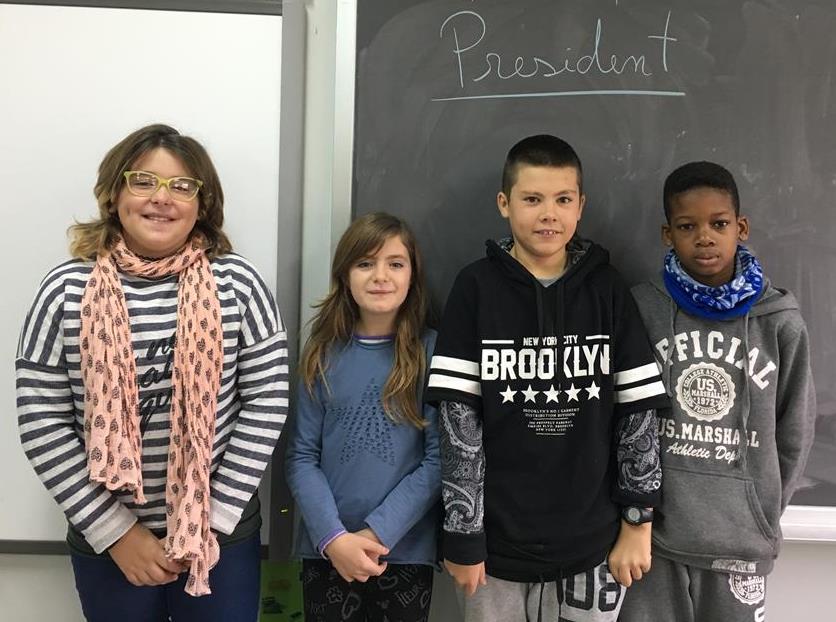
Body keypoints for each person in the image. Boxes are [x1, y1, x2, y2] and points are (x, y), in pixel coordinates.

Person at [15, 124, 288, 621]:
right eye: (143, 181)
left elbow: (267, 402)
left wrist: (209, 521)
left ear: (202, 204)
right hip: (109, 540)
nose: (162, 198)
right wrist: (117, 533)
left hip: (220, 533)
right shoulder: (63, 291)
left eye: (182, 186)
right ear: (113, 193)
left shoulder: (240, 284)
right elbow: (41, 421)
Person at [424, 134, 670, 622]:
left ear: (581, 206)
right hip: (494, 548)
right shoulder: (475, 288)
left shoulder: (606, 289)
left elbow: (638, 411)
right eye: (532, 199)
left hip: (595, 543)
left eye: (562, 199)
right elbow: (458, 420)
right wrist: (463, 532)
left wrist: (638, 520)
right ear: (504, 203)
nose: (548, 215)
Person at [621, 161, 816, 622]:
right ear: (668, 234)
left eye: (719, 224)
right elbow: (623, 416)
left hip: (739, 544)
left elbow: (795, 431)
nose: (704, 237)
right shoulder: (643, 309)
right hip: (654, 541)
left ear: (741, 228)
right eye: (687, 226)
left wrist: (759, 509)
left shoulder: (780, 322)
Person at [286, 212, 440, 622]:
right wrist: (335, 538)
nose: (380, 276)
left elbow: (439, 461)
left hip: (402, 553)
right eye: (365, 263)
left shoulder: (430, 353)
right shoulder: (321, 353)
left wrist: (376, 533)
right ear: (345, 275)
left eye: (395, 263)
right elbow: (301, 457)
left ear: (412, 275)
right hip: (327, 550)